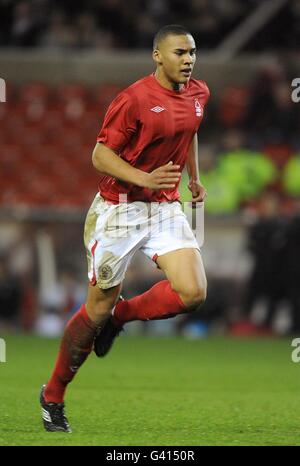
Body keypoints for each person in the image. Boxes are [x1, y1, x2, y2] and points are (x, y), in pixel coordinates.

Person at [40, 24, 210, 433]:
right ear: (157, 55)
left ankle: (122, 317)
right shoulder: (133, 99)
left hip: (164, 208)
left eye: (192, 52)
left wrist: (193, 177)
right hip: (120, 209)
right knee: (95, 310)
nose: (188, 60)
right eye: (179, 53)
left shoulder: (199, 93)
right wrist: (144, 177)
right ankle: (53, 394)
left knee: (193, 293)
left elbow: (189, 133)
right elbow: (100, 155)